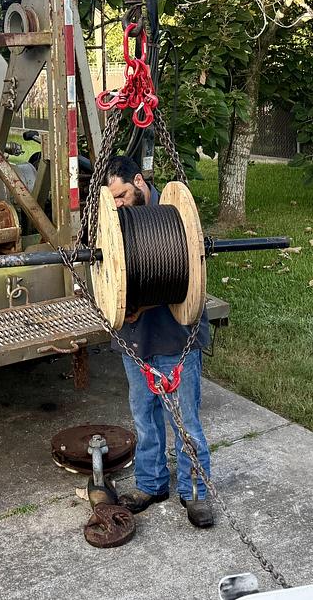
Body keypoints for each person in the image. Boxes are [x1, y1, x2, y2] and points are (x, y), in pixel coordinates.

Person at [104, 155, 214, 528]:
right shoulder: (112, 222)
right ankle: (151, 484)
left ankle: (195, 492)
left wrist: (145, 302)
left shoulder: (174, 216)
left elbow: (185, 272)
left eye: (121, 195)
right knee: (144, 417)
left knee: (185, 421)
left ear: (139, 181)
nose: (118, 204)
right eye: (112, 199)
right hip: (134, 339)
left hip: (174, 336)